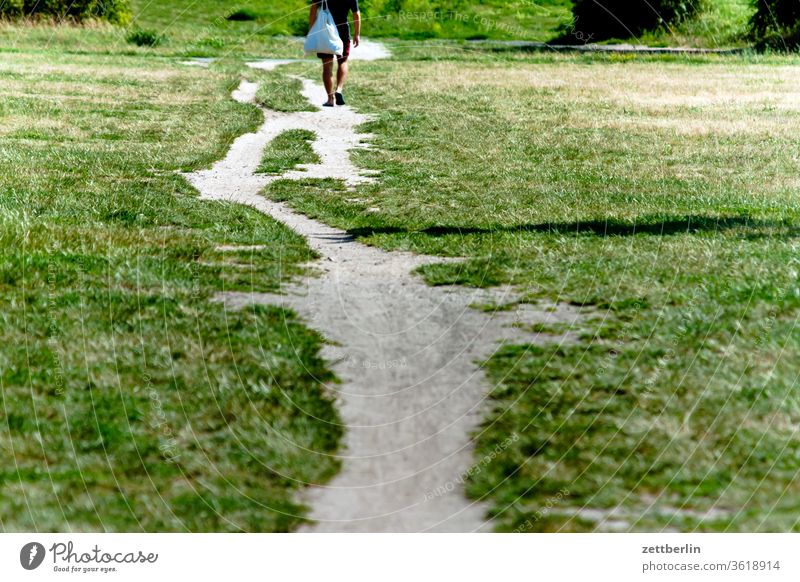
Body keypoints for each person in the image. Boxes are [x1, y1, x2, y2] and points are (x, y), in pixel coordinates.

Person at [309, 0, 360, 107]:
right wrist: (357, 34)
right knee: (343, 61)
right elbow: (356, 13)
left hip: (324, 30)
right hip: (342, 31)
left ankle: (330, 99)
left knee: (327, 65)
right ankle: (339, 89)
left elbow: (314, 7)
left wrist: (311, 29)